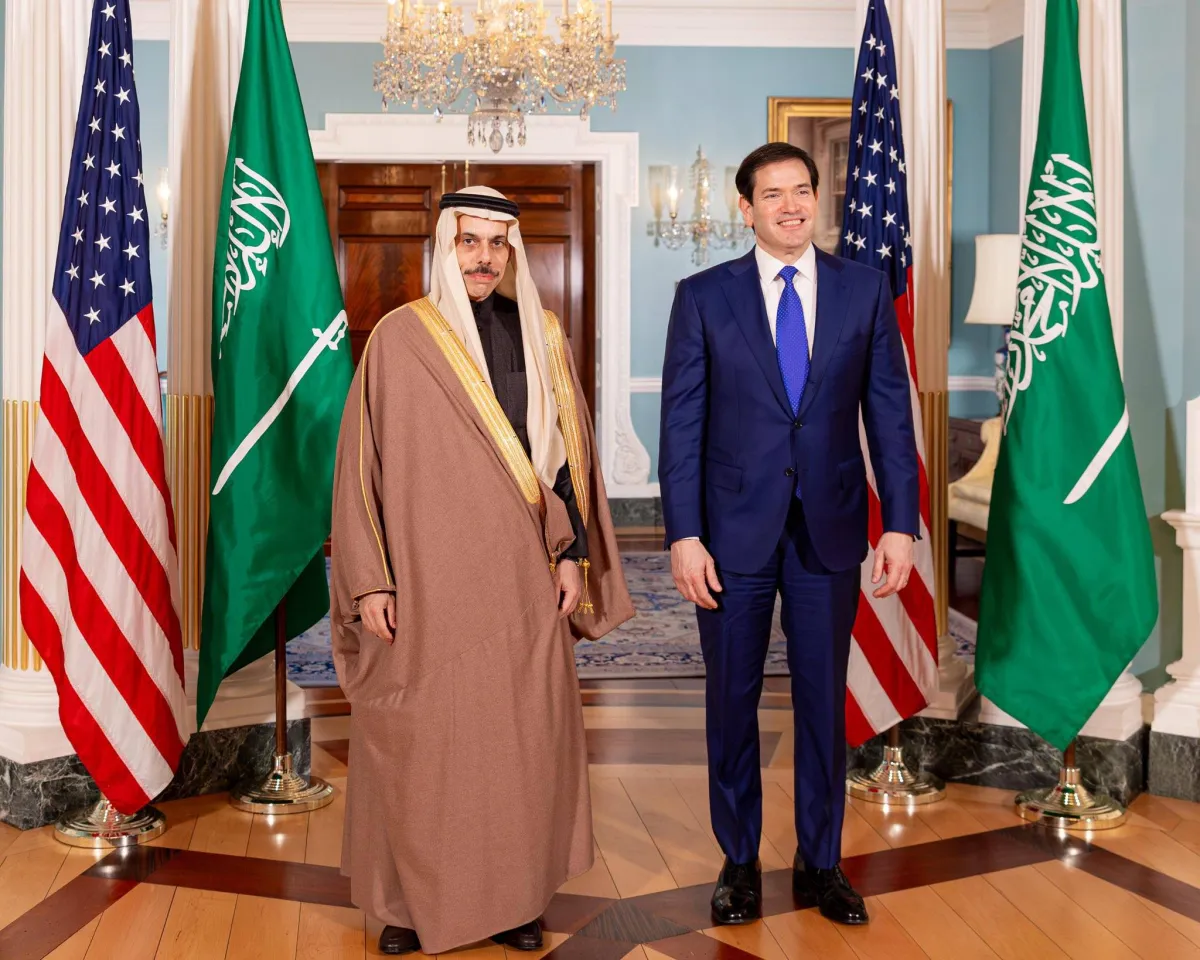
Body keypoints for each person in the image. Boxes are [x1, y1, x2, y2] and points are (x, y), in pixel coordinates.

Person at [330, 185, 634, 956]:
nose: (484, 258)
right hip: (423, 581)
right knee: (422, 744)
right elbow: (360, 468)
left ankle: (516, 902)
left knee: (518, 749)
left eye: (498, 244)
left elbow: (568, 465)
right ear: (445, 245)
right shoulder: (399, 338)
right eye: (470, 241)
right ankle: (407, 906)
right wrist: (370, 579)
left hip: (526, 579)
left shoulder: (541, 333)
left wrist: (574, 559)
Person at [658, 143, 919, 927]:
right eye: (773, 194)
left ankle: (820, 862)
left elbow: (891, 416)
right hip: (729, 538)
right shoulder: (702, 297)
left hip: (829, 532)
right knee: (731, 702)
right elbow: (681, 427)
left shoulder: (862, 290)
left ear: (817, 197)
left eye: (802, 190)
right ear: (746, 208)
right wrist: (683, 535)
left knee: (821, 704)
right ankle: (739, 862)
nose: (791, 205)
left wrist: (899, 524)